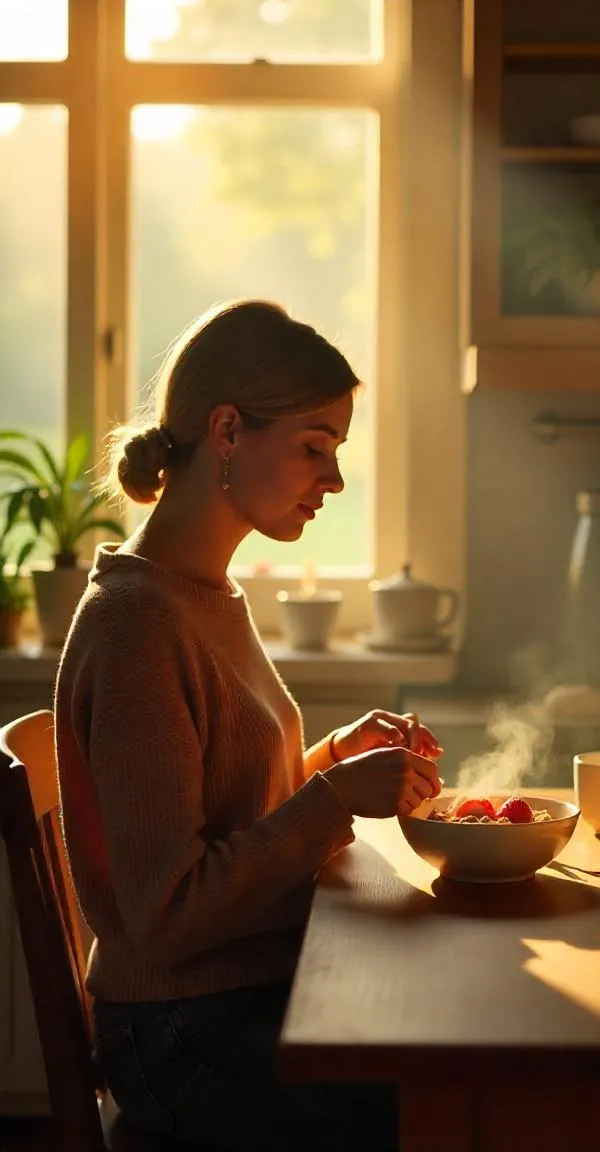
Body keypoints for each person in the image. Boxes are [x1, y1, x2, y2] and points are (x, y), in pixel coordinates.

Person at [53, 299, 443, 1151]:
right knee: (447, 1107)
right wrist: (331, 799)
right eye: (315, 448)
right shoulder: (136, 626)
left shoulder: (204, 594)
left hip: (232, 1001)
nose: (333, 482)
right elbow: (167, 914)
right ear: (227, 431)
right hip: (181, 1036)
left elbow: (220, 810)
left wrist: (333, 761)